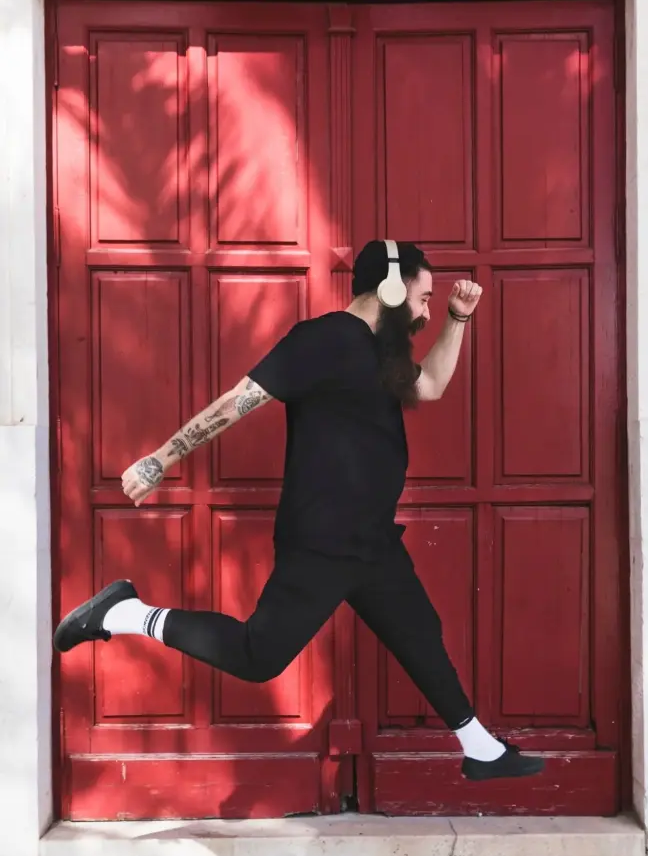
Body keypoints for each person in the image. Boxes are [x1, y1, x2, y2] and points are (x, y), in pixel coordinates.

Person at [54, 239, 544, 782]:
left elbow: (429, 385)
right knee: (257, 656)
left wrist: (457, 318)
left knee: (419, 634)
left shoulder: (380, 351)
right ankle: (122, 613)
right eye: (424, 299)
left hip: (370, 541)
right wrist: (161, 459)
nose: (426, 313)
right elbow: (239, 401)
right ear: (390, 287)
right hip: (324, 540)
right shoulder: (322, 340)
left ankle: (480, 749)